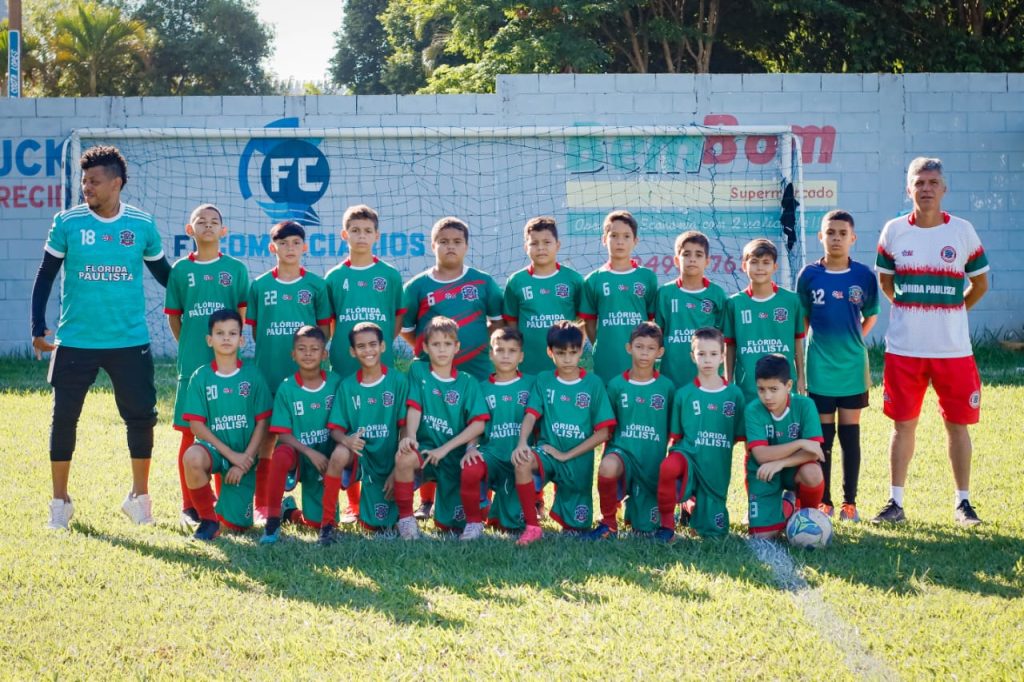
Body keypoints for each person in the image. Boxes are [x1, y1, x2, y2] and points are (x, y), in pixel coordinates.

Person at [31, 145, 171, 530]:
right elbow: (45, 275)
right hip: (75, 339)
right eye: (83, 180)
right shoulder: (67, 222)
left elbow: (165, 276)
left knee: (141, 417)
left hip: (129, 340)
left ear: (116, 183)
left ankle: (139, 498)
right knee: (63, 419)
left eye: (93, 181)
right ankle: (59, 503)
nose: (85, 187)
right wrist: (36, 326)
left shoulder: (141, 224)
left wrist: (198, 296)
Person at [872, 157, 990, 526]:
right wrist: (910, 309)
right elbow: (886, 283)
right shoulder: (893, 231)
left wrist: (953, 310)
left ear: (943, 188)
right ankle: (895, 503)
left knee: (958, 425)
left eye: (932, 182)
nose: (926, 188)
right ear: (909, 188)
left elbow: (980, 284)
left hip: (952, 351)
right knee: (902, 425)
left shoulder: (963, 231)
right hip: (904, 350)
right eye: (919, 182)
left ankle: (963, 504)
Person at [400, 216, 502, 520]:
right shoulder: (417, 286)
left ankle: (483, 497)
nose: (450, 246)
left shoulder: (483, 282)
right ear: (433, 245)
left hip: (478, 373)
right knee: (431, 431)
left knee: (479, 436)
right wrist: (428, 350)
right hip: (433, 378)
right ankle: (426, 500)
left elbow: (498, 324)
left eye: (457, 241)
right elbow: (407, 329)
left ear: (467, 246)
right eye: (443, 241)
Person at [164, 204, 248, 527]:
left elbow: (241, 313)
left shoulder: (236, 269)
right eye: (202, 221)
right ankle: (191, 505)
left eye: (215, 222)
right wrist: (189, 346)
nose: (209, 226)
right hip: (193, 366)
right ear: (190, 230)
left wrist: (230, 346)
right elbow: (175, 317)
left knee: (226, 427)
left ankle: (223, 502)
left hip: (227, 365)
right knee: (189, 433)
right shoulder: (181, 271)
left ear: (223, 231)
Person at [246, 220, 332, 522]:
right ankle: (265, 505)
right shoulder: (259, 285)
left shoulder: (316, 285)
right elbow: (257, 331)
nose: (290, 248)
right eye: (283, 243)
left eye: (296, 243)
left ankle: (325, 502)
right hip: (269, 374)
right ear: (273, 248)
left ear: (305, 247)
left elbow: (324, 331)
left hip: (308, 379)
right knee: (267, 440)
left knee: (314, 435)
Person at [796, 210, 879, 521]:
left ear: (852, 238)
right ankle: (825, 501)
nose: (836, 238)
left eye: (842, 233)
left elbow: (871, 315)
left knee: (850, 435)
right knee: (824, 437)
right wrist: (803, 363)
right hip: (820, 367)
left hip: (852, 369)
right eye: (830, 232)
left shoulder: (863, 276)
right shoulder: (809, 275)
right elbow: (802, 321)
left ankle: (850, 503)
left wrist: (854, 338)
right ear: (821, 237)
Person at [512, 321, 616, 546]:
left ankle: (570, 513)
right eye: (561, 353)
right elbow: (531, 415)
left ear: (581, 350)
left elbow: (604, 433)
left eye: (573, 352)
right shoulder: (544, 380)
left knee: (576, 528)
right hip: (548, 452)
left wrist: (566, 455)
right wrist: (522, 443)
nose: (567, 359)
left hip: (578, 460)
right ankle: (532, 527)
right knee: (522, 462)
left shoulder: (593, 384)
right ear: (550, 352)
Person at [394, 317, 490, 539]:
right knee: (405, 456)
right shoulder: (418, 371)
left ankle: (473, 521)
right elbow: (414, 408)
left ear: (457, 347)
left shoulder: (468, 382)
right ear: (425, 347)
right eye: (435, 344)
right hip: (426, 449)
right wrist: (410, 437)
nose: (442, 350)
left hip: (452, 454)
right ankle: (406, 519)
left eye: (447, 344)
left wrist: (445, 449)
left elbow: (478, 424)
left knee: (449, 526)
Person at [181, 309, 272, 540]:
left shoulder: (253, 376)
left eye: (232, 333)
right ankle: (208, 520)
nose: (226, 338)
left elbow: (263, 422)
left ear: (241, 339)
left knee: (238, 526)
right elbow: (196, 426)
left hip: (245, 456)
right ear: (209, 340)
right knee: (191, 457)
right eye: (219, 333)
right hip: (217, 451)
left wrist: (244, 461)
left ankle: (232, 508)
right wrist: (231, 455)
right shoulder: (200, 377)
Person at [323, 322, 410, 544]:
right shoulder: (347, 386)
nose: (367, 350)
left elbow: (404, 427)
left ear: (383, 346)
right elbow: (335, 429)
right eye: (361, 346)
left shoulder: (398, 381)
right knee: (339, 454)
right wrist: (347, 440)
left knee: (379, 523)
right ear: (352, 351)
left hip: (390, 455)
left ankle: (407, 516)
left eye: (373, 344)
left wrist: (398, 468)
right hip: (360, 455)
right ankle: (328, 525)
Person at [588, 322, 675, 540]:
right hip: (622, 454)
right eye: (639, 346)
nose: (644, 353)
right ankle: (608, 522)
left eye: (650, 348)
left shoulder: (666, 387)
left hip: (651, 462)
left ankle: (638, 509)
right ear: (629, 348)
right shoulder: (617, 385)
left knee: (644, 529)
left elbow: (672, 430)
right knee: (607, 466)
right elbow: (607, 427)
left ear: (660, 352)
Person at [658, 327, 746, 540]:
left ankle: (691, 505)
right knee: (669, 467)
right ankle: (667, 526)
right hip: (688, 457)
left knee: (714, 531)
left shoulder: (734, 395)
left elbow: (738, 437)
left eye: (714, 354)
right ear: (692, 356)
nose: (708, 360)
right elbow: (676, 438)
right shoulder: (684, 394)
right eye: (701, 354)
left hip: (716, 465)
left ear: (723, 356)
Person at [261, 326, 343, 545]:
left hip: (327, 459)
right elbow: (282, 434)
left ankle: (290, 512)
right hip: (298, 456)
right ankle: (272, 520)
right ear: (293, 354)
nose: (308, 354)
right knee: (279, 454)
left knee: (315, 522)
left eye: (315, 349)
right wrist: (309, 452)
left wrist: (329, 455)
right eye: (302, 349)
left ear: (324, 354)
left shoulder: (336, 383)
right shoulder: (287, 388)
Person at [458, 327, 537, 540]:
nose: (505, 355)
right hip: (491, 454)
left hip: (521, 455)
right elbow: (477, 422)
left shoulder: (532, 383)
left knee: (511, 524)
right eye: (500, 350)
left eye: (512, 351)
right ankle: (473, 523)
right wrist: (471, 448)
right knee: (470, 468)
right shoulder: (480, 387)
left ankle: (522, 514)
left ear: (521, 356)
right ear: (491, 354)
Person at [744, 354, 825, 539]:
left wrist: (781, 463)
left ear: (788, 386)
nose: (767, 396)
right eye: (761, 389)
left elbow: (814, 453)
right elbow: (761, 455)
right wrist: (799, 443)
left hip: (792, 469)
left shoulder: (805, 405)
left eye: (774, 389)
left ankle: (807, 517)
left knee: (813, 473)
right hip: (763, 472)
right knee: (762, 537)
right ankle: (788, 504)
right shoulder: (753, 410)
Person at [325, 205, 405, 378]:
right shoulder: (334, 277)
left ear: (376, 236)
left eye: (368, 231)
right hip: (344, 361)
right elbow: (329, 320)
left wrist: (383, 340)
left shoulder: (390, 275)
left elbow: (398, 315)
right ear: (344, 235)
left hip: (380, 358)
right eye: (355, 230)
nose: (362, 235)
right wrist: (340, 341)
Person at [580, 210, 659, 384]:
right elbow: (589, 323)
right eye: (614, 236)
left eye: (626, 236)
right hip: (607, 359)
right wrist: (604, 344)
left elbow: (652, 321)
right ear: (604, 239)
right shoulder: (594, 280)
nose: (620, 242)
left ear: (635, 241)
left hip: (640, 360)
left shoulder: (647, 278)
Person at [724, 238, 806, 404]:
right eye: (754, 262)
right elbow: (730, 345)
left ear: (775, 267)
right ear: (744, 266)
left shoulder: (791, 301)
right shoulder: (734, 303)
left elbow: (797, 342)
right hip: (747, 388)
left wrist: (802, 379)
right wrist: (728, 381)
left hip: (783, 386)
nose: (760, 267)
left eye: (766, 262)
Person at [502, 216, 583, 375]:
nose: (541, 248)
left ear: (557, 245)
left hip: (565, 368)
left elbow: (583, 320)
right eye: (534, 243)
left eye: (547, 242)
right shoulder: (516, 281)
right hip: (529, 368)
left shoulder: (573, 279)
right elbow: (511, 323)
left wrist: (574, 349)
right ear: (526, 247)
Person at [655, 230, 727, 387]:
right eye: (686, 254)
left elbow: (724, 335)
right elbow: (659, 333)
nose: (692, 259)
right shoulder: (665, 293)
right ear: (676, 260)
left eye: (699, 255)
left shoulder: (717, 294)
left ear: (707, 261)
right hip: (671, 377)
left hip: (707, 378)